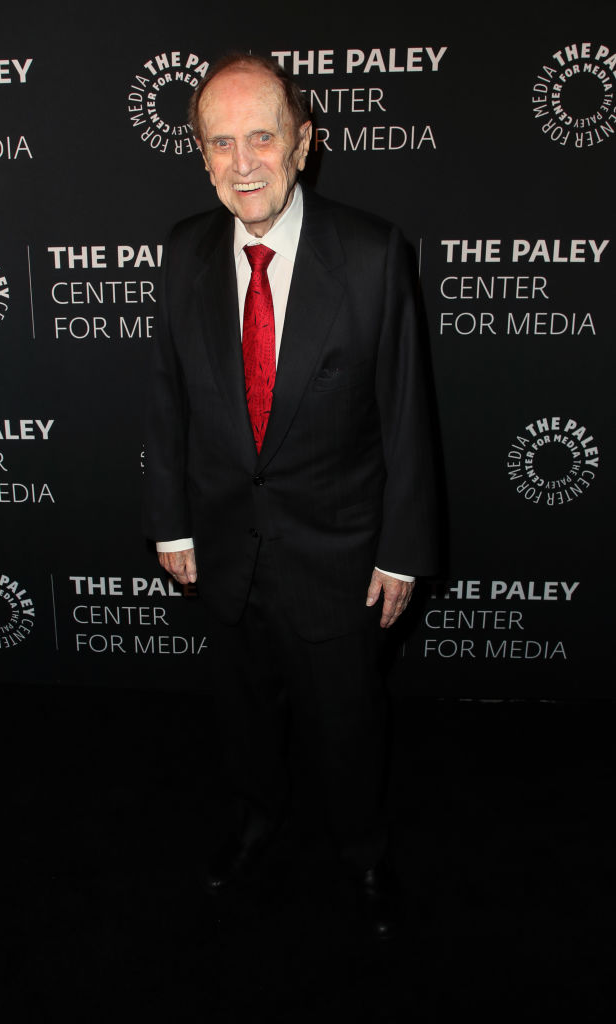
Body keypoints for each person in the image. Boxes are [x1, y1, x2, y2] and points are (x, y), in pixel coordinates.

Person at [143, 53, 438, 936]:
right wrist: (171, 523)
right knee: (243, 718)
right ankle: (257, 819)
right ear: (200, 156)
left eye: (263, 137)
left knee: (349, 727)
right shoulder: (183, 251)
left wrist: (402, 550)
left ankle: (364, 851)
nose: (243, 163)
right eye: (220, 143)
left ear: (303, 143)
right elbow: (165, 397)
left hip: (340, 555)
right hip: (225, 549)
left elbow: (406, 414)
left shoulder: (373, 253)